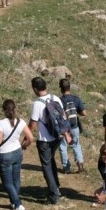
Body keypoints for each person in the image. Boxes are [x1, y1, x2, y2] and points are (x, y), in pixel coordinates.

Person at [27, 76, 64, 204]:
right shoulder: (55, 98)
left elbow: (32, 124)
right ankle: (56, 187)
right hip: (57, 137)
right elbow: (62, 116)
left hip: (44, 140)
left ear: (35, 89)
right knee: (51, 161)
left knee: (46, 166)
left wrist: (26, 138)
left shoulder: (37, 104)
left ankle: (54, 195)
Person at [0, 99, 34, 210]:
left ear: (4, 110)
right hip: (17, 152)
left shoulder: (1, 123)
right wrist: (24, 145)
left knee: (7, 182)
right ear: (15, 108)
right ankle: (14, 202)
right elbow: (31, 138)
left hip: (4, 154)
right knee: (16, 179)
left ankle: (17, 203)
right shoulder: (21, 122)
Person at [59, 79, 86, 174]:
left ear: (61, 89)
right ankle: (80, 164)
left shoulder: (59, 100)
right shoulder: (76, 98)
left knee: (63, 146)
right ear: (69, 87)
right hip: (75, 126)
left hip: (64, 127)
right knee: (76, 144)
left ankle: (66, 168)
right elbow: (84, 113)